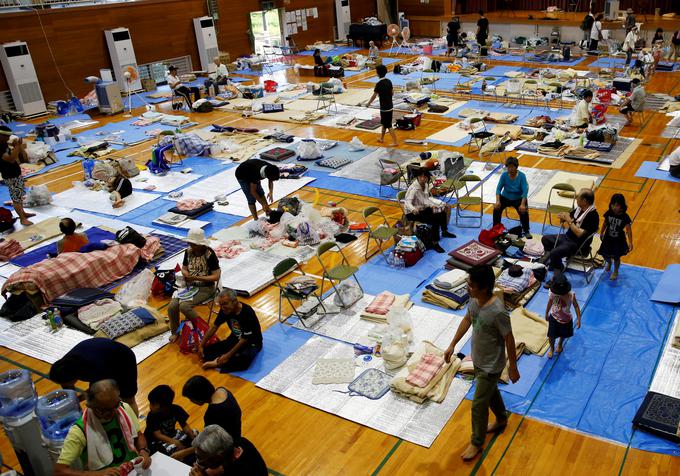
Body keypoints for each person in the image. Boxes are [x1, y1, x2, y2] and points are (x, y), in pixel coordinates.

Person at [444, 265, 519, 461]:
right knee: (490, 392)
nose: (468, 288)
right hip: (477, 358)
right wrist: (452, 344)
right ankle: (502, 418)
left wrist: (513, 368)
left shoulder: (498, 311)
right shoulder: (474, 300)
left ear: (484, 287)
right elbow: (467, 320)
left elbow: (509, 339)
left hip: (491, 365)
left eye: (471, 285)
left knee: (478, 404)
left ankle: (476, 443)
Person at [54, 380, 151, 475]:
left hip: (132, 468)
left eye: (115, 406)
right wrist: (98, 474)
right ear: (90, 406)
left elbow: (138, 435)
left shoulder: (123, 408)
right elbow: (60, 471)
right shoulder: (79, 430)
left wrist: (143, 450)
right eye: (105, 410)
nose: (113, 412)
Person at [50, 338, 140, 415]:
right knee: (98, 400)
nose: (63, 386)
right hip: (101, 354)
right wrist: (72, 399)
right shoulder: (63, 365)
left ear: (73, 377)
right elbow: (68, 387)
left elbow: (98, 390)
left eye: (65, 383)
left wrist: (78, 399)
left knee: (128, 399)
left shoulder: (92, 368)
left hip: (123, 359)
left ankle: (136, 430)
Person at [168, 228, 221, 342]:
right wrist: (186, 274)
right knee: (172, 306)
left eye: (194, 244)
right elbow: (184, 268)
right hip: (190, 286)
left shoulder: (209, 254)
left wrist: (197, 277)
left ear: (200, 244)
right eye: (190, 243)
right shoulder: (188, 251)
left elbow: (216, 276)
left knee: (184, 306)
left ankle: (202, 329)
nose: (191, 246)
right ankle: (175, 332)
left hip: (206, 287)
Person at [541, 188, 599, 284]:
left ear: (584, 201)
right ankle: (555, 263)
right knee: (545, 239)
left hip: (578, 244)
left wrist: (569, 220)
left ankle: (557, 277)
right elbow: (569, 215)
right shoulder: (580, 208)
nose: (576, 199)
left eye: (578, 198)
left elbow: (579, 233)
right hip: (568, 237)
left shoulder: (593, 216)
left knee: (555, 253)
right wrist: (563, 217)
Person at [200, 289, 263, 372]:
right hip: (235, 338)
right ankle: (221, 360)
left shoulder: (247, 313)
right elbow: (214, 327)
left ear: (235, 301)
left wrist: (227, 356)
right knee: (207, 350)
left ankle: (217, 363)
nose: (222, 308)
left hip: (251, 342)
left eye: (225, 304)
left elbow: (244, 339)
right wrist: (202, 344)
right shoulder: (224, 310)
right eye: (221, 305)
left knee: (244, 359)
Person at [403, 168, 456, 254]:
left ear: (427, 177)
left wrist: (432, 205)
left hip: (422, 208)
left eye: (425, 177)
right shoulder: (413, 188)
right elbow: (407, 202)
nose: (423, 178)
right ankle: (434, 243)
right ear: (417, 177)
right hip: (412, 213)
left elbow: (425, 199)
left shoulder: (426, 185)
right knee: (434, 220)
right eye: (421, 176)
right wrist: (413, 209)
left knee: (441, 213)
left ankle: (444, 231)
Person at [182, 376, 242, 443]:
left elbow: (209, 437)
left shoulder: (212, 413)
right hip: (236, 433)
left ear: (198, 396)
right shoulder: (222, 390)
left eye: (191, 399)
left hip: (227, 443)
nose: (191, 401)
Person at [190, 425, 267, 476]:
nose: (198, 462)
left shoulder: (242, 471)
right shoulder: (239, 442)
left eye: (200, 458)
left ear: (217, 457)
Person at [145, 385, 197, 459]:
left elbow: (184, 425)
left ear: (164, 406)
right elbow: (158, 435)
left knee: (195, 433)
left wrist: (191, 434)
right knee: (169, 450)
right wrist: (175, 442)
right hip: (156, 441)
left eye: (153, 404)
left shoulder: (176, 409)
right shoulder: (152, 415)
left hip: (171, 435)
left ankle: (184, 452)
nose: (150, 406)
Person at [0, 126, 34, 226]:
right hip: (9, 175)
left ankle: (23, 213)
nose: (7, 139)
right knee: (16, 198)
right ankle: (22, 219)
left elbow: (17, 158)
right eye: (6, 137)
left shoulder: (4, 144)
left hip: (15, 172)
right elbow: (11, 159)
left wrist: (17, 147)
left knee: (19, 196)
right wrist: (17, 147)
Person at [492, 156, 531, 238]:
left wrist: (523, 204)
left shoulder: (522, 176)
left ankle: (526, 230)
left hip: (518, 199)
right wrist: (498, 201)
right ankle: (496, 228)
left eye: (512, 167)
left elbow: (525, 191)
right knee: (496, 208)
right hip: (505, 197)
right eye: (508, 167)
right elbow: (498, 189)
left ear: (516, 167)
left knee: (523, 211)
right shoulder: (504, 175)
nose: (510, 169)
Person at [598, 193, 633, 281]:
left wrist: (631, 242)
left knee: (616, 257)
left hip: (618, 241)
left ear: (622, 206)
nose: (614, 207)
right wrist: (601, 232)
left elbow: (629, 230)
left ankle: (616, 271)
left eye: (617, 205)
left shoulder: (625, 217)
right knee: (605, 255)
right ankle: (609, 263)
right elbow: (605, 223)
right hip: (607, 239)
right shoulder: (609, 213)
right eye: (613, 204)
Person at [544, 274, 581, 359]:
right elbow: (549, 303)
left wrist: (579, 319)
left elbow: (576, 306)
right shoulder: (553, 293)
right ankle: (552, 348)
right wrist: (546, 313)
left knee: (563, 334)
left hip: (566, 320)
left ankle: (560, 344)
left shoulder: (571, 295)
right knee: (551, 336)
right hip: (554, 318)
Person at [366, 64, 397, 146]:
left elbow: (374, 96)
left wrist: (368, 103)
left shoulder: (379, 84)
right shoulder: (389, 81)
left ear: (378, 73)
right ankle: (382, 138)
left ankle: (395, 142)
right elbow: (392, 93)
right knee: (384, 123)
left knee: (388, 125)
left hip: (384, 108)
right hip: (390, 106)